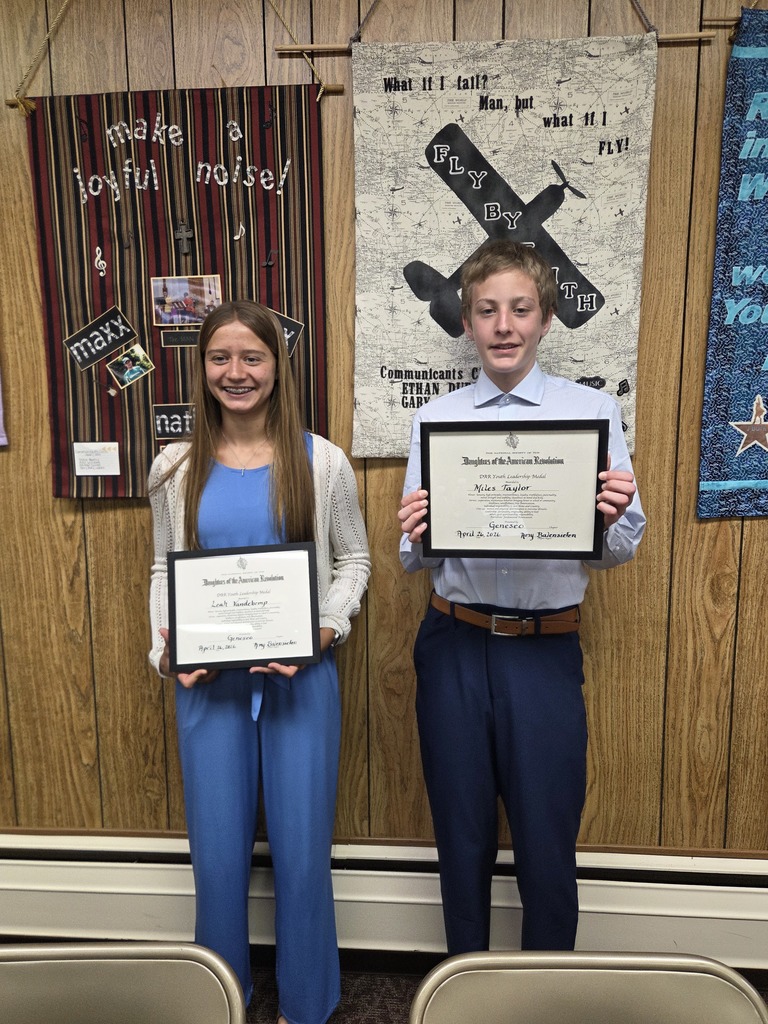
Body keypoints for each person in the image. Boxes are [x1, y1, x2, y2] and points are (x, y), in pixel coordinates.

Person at [397, 240, 645, 956]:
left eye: (520, 310)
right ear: (468, 324)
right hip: (454, 643)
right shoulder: (435, 419)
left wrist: (609, 514)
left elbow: (623, 549)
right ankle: (463, 984)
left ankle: (548, 990)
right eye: (487, 311)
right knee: (462, 832)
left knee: (546, 834)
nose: (503, 325)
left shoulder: (590, 412)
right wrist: (416, 529)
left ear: (545, 320)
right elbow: (414, 558)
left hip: (544, 648)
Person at [148, 300, 370, 1022]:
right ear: (203, 367)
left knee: (303, 854)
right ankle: (224, 998)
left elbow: (355, 561)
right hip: (207, 687)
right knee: (216, 858)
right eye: (220, 358)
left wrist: (326, 630)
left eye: (252, 358)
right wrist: (166, 650)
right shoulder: (175, 466)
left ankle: (307, 1004)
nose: (236, 372)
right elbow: (163, 571)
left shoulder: (323, 459)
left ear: (277, 366)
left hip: (302, 681)